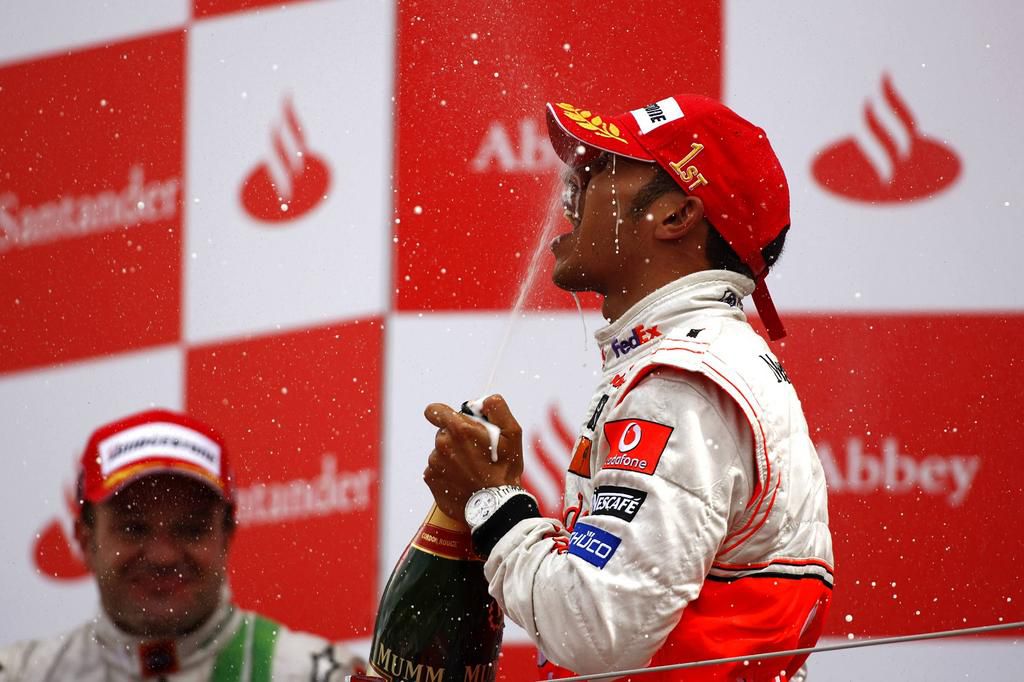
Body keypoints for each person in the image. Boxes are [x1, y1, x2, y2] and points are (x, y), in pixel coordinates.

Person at [423, 94, 834, 681]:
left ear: (675, 216)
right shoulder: (697, 360)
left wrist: (493, 508)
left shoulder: (682, 384)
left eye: (600, 168)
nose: (570, 188)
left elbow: (597, 627)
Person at [0, 409, 365, 682]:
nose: (162, 555)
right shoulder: (22, 674)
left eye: (190, 530)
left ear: (227, 537)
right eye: (133, 528)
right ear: (85, 540)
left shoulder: (312, 673)